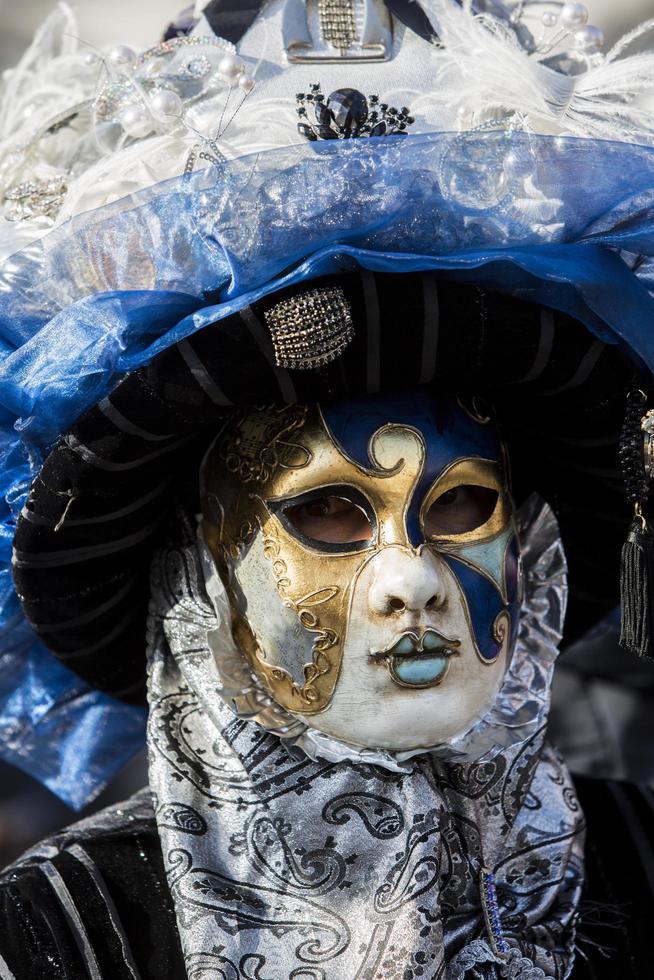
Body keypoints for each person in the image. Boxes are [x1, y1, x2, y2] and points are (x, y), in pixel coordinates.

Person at [1, 2, 654, 977]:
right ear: (201, 577)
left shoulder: (642, 861)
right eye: (331, 512)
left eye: (461, 505)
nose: (413, 581)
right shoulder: (57, 932)